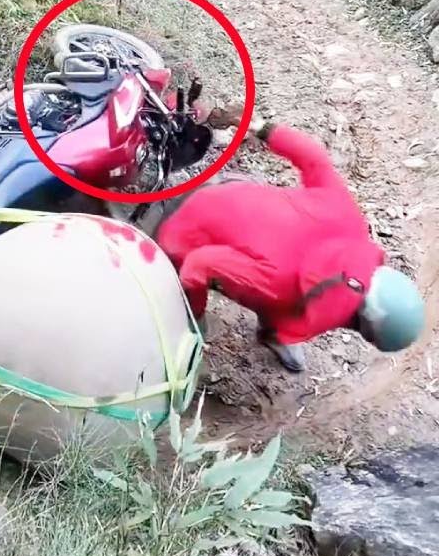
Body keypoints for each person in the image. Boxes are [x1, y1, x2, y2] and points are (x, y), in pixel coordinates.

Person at [151, 110, 425, 373]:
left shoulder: (352, 222)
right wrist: (195, 323)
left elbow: (315, 159)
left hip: (227, 189)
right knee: (275, 296)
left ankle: (277, 332)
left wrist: (262, 127)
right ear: (361, 328)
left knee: (287, 294)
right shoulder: (278, 285)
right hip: (182, 234)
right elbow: (201, 264)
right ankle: (255, 330)